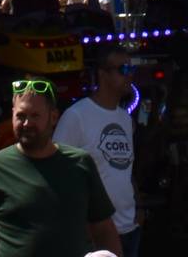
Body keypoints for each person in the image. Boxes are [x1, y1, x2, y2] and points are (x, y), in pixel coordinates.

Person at [0, 80, 120, 257]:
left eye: (35, 116)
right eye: (21, 116)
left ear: (54, 117)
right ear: (12, 115)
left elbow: (104, 229)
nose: (26, 123)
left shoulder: (80, 163)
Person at [59, 45, 144, 255]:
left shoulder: (125, 119)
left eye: (131, 69)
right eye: (123, 69)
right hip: (96, 232)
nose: (129, 75)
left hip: (130, 227)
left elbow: (126, 169)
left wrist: (139, 206)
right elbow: (57, 170)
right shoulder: (76, 116)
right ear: (102, 74)